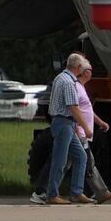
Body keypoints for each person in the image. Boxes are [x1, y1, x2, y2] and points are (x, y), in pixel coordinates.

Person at [40, 54, 94, 205]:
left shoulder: (60, 78)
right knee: (60, 159)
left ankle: (77, 192)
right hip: (65, 123)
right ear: (78, 67)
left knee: (80, 157)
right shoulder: (69, 82)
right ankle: (52, 194)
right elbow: (74, 108)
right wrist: (86, 128)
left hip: (64, 123)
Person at [71, 66, 111, 205]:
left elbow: (87, 110)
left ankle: (47, 191)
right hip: (79, 132)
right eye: (91, 69)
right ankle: (100, 193)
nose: (92, 72)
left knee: (69, 163)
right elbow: (74, 110)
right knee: (86, 160)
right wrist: (82, 128)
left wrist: (100, 122)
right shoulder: (76, 87)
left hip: (82, 132)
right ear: (86, 72)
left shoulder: (81, 87)